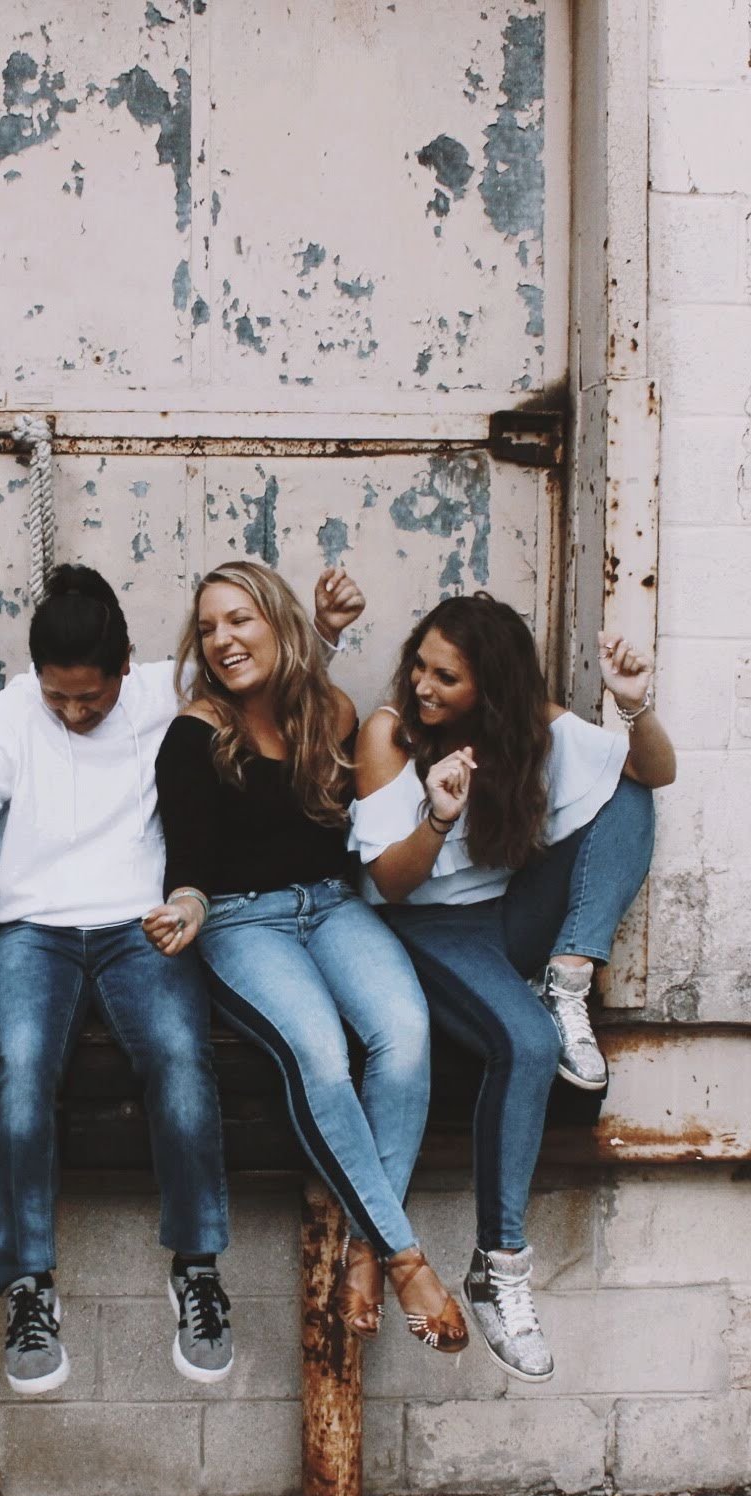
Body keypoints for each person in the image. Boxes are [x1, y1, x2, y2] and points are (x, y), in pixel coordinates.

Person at [0, 564, 357, 1394]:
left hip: (136, 924)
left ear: (126, 667)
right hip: (31, 931)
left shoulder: (166, 691)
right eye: (60, 698)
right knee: (17, 1074)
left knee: (180, 1060)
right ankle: (29, 1287)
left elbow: (265, 678)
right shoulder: (13, 712)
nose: (75, 713)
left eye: (91, 697)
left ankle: (195, 1269)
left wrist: (325, 635)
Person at [351, 593, 675, 1382]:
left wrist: (636, 708)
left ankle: (567, 977)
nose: (423, 687)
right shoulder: (389, 736)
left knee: (626, 794)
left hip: (506, 918)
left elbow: (653, 772)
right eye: (420, 667)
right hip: (427, 928)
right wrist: (435, 816)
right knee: (524, 1045)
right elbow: (388, 887)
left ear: (490, 692)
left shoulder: (529, 726)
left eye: (446, 678)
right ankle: (499, 1268)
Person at [149, 561, 467, 1352]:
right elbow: (188, 860)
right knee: (320, 1058)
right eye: (210, 626)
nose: (222, 639)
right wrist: (185, 906)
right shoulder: (194, 734)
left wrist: (323, 637)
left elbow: (345, 830)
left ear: (278, 623)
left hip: (331, 906)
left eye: (241, 619)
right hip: (239, 924)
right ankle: (402, 1256)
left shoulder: (331, 710)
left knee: (404, 1035)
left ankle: (361, 1246)